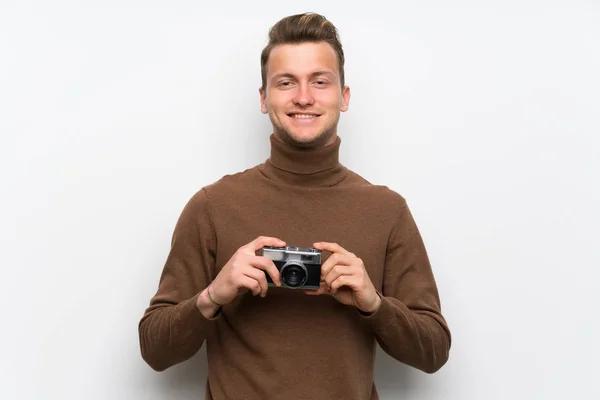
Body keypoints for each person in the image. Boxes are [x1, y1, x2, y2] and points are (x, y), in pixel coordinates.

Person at [138, 12, 451, 400]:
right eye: (286, 83)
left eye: (320, 82)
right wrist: (214, 295)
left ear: (344, 96)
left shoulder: (387, 210)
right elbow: (154, 349)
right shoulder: (212, 206)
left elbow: (434, 351)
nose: (304, 97)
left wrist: (374, 304)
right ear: (264, 98)